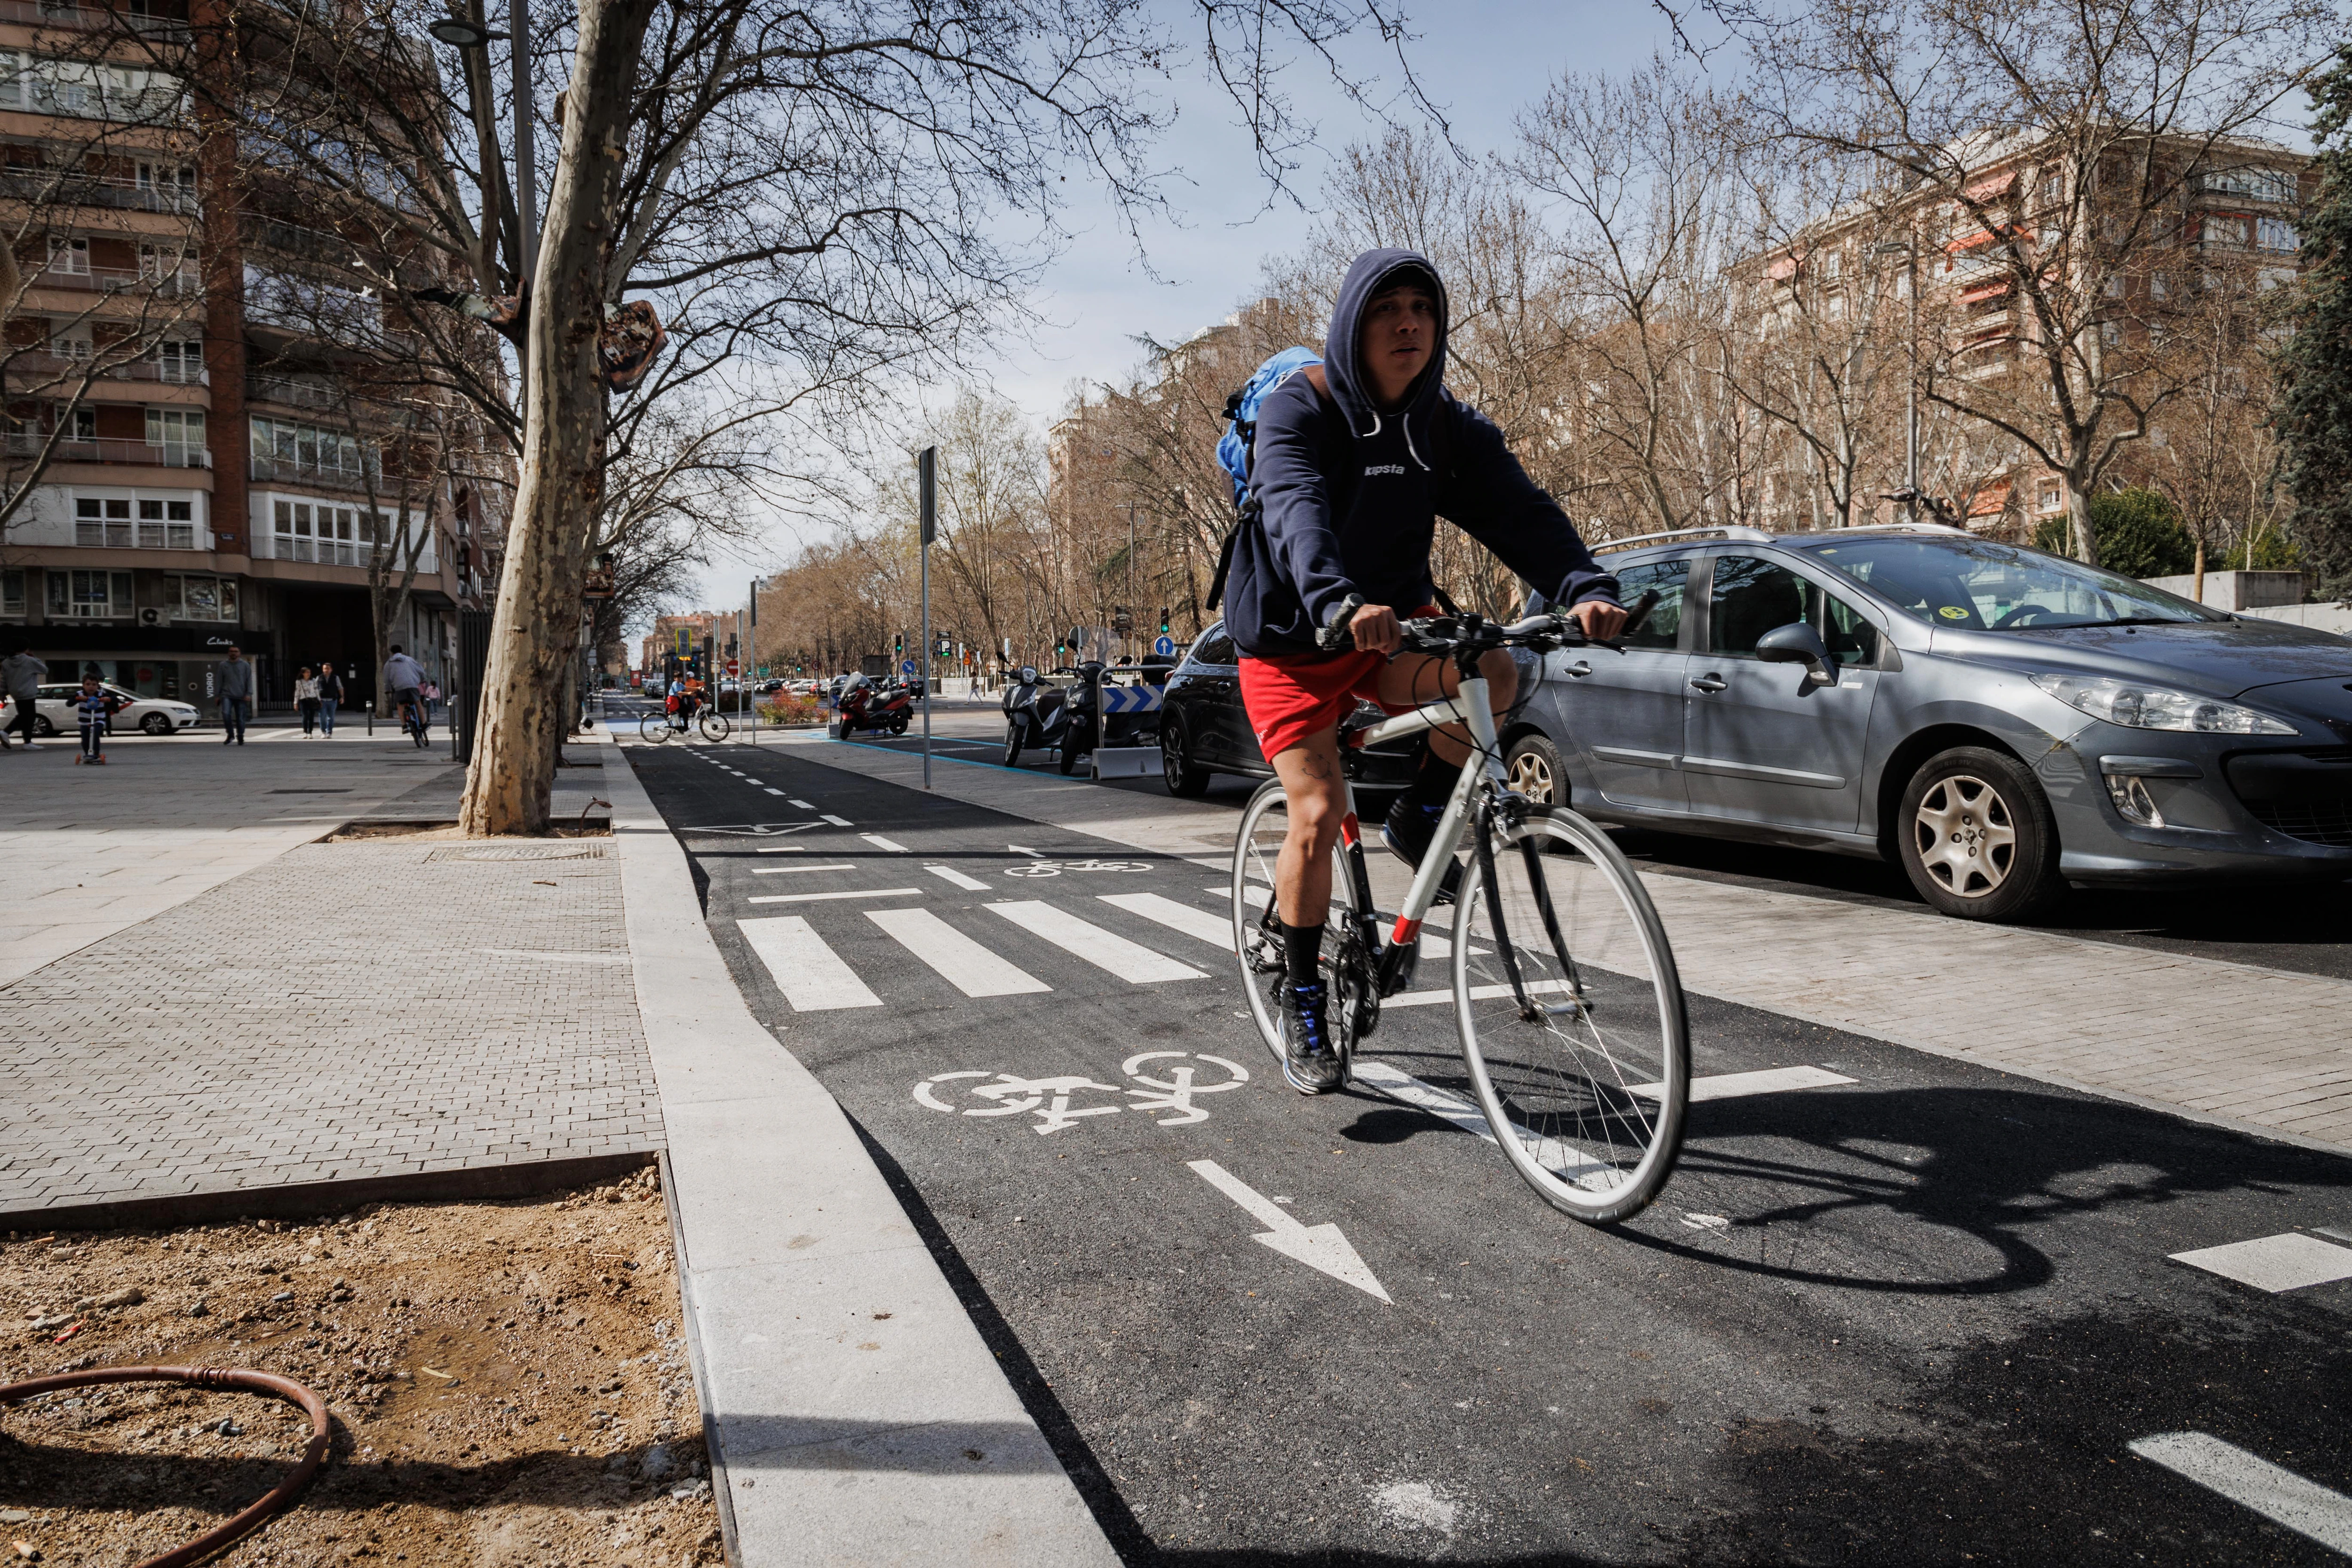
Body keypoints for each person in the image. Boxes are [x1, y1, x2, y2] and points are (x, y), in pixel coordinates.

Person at [1224, 247, 1625, 1093]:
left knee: (1495, 671)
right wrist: (1335, 598)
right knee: (1319, 809)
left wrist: (1584, 586)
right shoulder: (1301, 412)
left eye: (1423, 309)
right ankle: (1304, 999)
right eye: (1386, 309)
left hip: (1392, 626)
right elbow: (1295, 507)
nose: (1408, 323)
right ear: (1352, 325)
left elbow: (1521, 512)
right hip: (1297, 638)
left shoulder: (1444, 426)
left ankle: (1420, 816)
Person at [1, 644, 45, 751]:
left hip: (15, 693)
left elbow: (4, 679)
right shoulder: (29, 660)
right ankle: (7, 733)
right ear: (26, 649)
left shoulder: (6, 662)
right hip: (28, 692)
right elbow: (44, 670)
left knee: (27, 717)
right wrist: (34, 658)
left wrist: (2, 694)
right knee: (27, 716)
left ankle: (27, 742)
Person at [70, 673, 119, 765]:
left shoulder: (101, 694)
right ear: (83, 686)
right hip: (84, 720)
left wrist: (108, 699)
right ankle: (88, 754)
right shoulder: (80, 694)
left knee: (95, 733)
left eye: (94, 684)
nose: (91, 687)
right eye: (88, 684)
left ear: (97, 686)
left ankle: (96, 754)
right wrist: (78, 699)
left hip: (98, 719)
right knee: (85, 739)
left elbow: (115, 699)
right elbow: (69, 703)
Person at [383, 645, 426, 735]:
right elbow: (421, 671)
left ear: (392, 652)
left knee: (400, 705)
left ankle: (404, 726)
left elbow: (386, 679)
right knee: (417, 702)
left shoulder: (389, 664)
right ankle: (424, 723)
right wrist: (422, 680)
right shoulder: (410, 660)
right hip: (412, 685)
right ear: (401, 651)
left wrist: (388, 689)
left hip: (399, 687)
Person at [215, 645, 253, 745]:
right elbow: (219, 680)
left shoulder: (245, 665)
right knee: (226, 714)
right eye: (231, 651)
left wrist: (249, 693)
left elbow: (249, 680)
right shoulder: (223, 665)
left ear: (239, 653)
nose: (234, 653)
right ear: (229, 653)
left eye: (236, 651)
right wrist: (217, 695)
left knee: (240, 717)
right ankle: (230, 734)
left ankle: (240, 736)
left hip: (241, 696)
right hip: (226, 695)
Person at [294, 666, 321, 736]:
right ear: (303, 673)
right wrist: (296, 703)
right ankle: (305, 732)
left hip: (312, 699)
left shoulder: (313, 681)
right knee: (305, 716)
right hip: (303, 700)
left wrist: (319, 700)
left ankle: (310, 732)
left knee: (311, 717)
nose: (309, 674)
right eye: (307, 672)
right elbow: (297, 692)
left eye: (309, 672)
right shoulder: (299, 681)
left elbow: (316, 690)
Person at [317, 663, 343, 736]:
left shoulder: (335, 678)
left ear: (331, 670)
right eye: (325, 669)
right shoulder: (319, 678)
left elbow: (340, 687)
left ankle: (329, 732)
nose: (326, 670)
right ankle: (323, 732)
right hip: (322, 701)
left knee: (331, 718)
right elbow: (315, 689)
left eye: (328, 668)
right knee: (322, 717)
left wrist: (342, 697)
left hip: (332, 700)